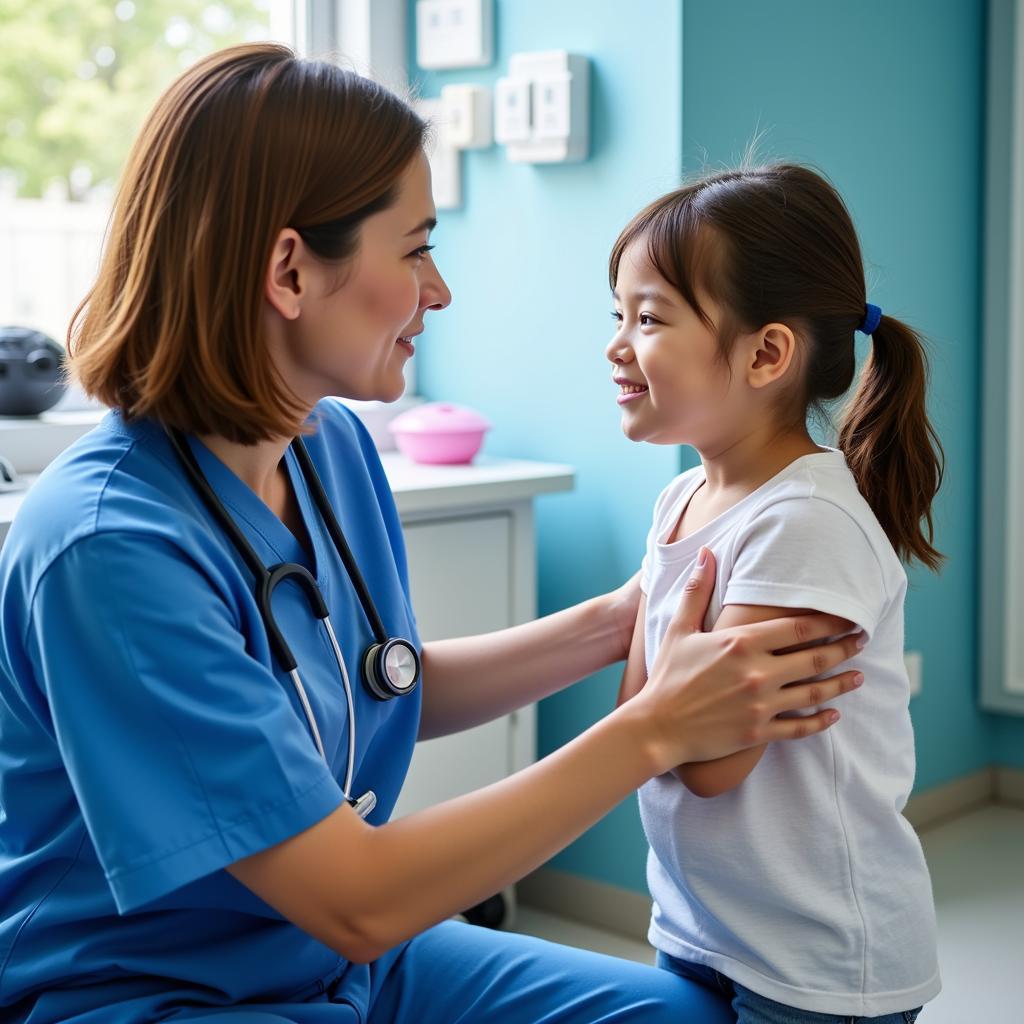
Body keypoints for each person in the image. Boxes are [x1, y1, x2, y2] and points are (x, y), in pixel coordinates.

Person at [0, 47, 864, 1023]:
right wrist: (653, 726)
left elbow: (383, 679)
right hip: (161, 991)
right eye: (415, 249)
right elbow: (359, 896)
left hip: (340, 960)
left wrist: (625, 617)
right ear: (289, 270)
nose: (439, 289)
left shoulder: (326, 450)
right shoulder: (109, 549)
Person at [609, 164, 943, 1024]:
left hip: (818, 960)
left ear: (766, 353)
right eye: (618, 315)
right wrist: (669, 692)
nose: (617, 345)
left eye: (647, 318)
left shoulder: (805, 522)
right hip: (700, 923)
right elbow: (643, 717)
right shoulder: (680, 500)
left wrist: (665, 692)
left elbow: (708, 763)